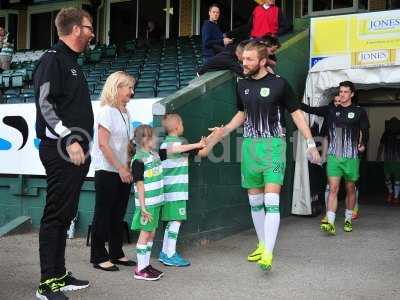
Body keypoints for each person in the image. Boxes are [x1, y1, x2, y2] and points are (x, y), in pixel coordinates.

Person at [209, 40, 321, 271]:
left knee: (271, 201)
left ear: (262, 61)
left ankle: (268, 252)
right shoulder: (241, 85)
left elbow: (297, 114)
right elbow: (242, 113)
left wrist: (310, 142)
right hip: (250, 147)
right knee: (255, 201)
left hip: (273, 146)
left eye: (249, 60)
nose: (244, 63)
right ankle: (262, 244)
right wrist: (225, 130)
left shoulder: (279, 84)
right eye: (243, 59)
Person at [33, 7, 95, 300]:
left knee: (66, 213)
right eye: (89, 27)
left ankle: (59, 274)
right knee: (56, 213)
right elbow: (45, 104)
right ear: (75, 30)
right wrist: (70, 138)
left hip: (76, 152)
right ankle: (47, 283)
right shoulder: (52, 59)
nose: (93, 33)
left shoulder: (72, 62)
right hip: (61, 150)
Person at [301, 81, 370, 235]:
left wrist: (363, 144)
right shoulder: (330, 110)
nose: (342, 94)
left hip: (351, 157)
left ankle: (347, 219)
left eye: (345, 92)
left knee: (350, 188)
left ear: (352, 94)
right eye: (340, 92)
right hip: (334, 157)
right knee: (333, 189)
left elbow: (365, 130)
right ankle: (330, 222)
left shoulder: (359, 111)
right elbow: (309, 109)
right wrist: (292, 102)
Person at [90, 71, 136, 272]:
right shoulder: (106, 111)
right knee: (104, 213)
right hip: (107, 170)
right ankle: (98, 256)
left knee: (118, 213)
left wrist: (130, 163)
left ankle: (116, 253)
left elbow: (127, 144)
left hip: (123, 170)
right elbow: (103, 144)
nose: (132, 92)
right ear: (116, 88)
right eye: (129, 88)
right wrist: (120, 168)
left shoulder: (126, 112)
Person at [158, 113, 215, 267]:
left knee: (172, 221)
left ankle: (165, 253)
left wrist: (214, 136)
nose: (183, 126)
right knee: (176, 221)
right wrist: (197, 144)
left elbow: (201, 150)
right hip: (174, 192)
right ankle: (170, 254)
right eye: (182, 124)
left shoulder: (175, 145)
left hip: (172, 192)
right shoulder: (171, 145)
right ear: (177, 127)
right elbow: (180, 148)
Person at [377, 117, 400, 205]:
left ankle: (396, 197)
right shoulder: (386, 133)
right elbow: (381, 145)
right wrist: (378, 156)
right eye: (392, 123)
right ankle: (390, 192)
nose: (394, 124)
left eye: (396, 123)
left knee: (398, 179)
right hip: (388, 159)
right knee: (387, 178)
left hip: (398, 160)